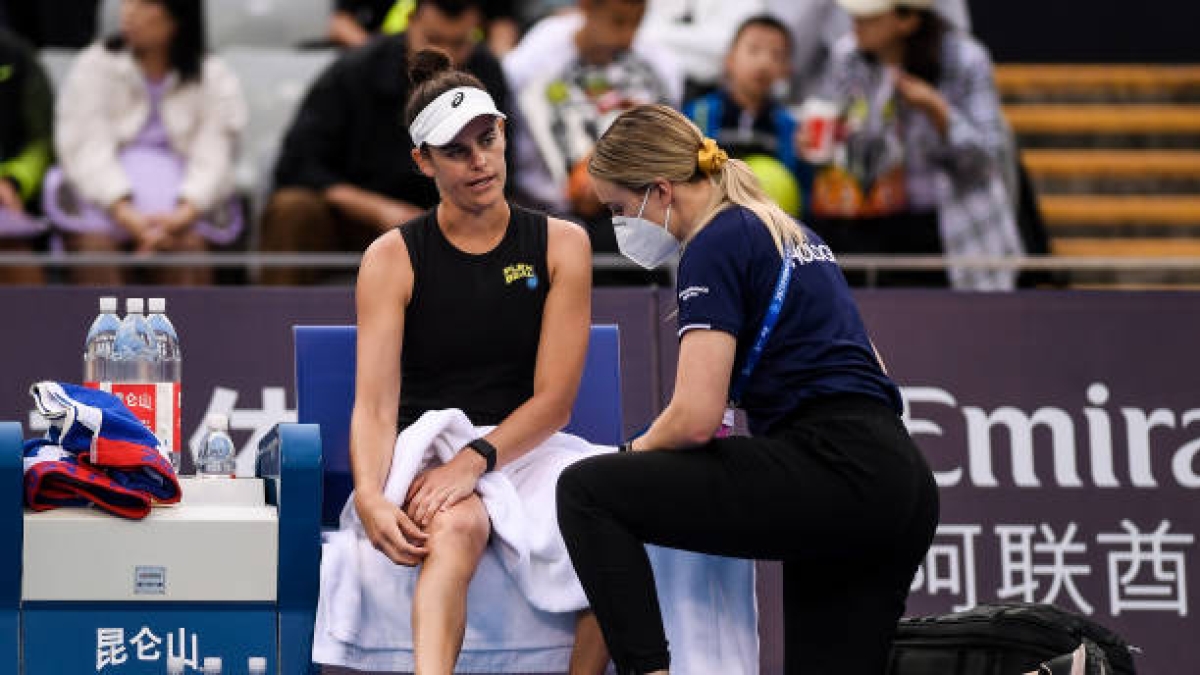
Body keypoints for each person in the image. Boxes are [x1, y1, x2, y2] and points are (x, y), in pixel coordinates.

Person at [556, 104, 939, 674]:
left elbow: (693, 416)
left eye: (617, 208)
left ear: (660, 190)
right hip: (900, 479)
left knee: (588, 491)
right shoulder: (786, 229)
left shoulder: (712, 244)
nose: (617, 223)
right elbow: (876, 371)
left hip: (835, 468)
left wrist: (631, 457)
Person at [349, 47, 606, 674]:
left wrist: (477, 461)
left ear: (504, 134)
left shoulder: (563, 244)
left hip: (523, 450)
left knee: (616, 515)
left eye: (486, 139)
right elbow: (377, 405)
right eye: (456, 150)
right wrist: (368, 496)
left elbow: (554, 402)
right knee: (457, 528)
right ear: (423, 162)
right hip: (431, 446)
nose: (478, 161)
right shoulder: (390, 257)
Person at [261, 0, 512, 285]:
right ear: (410, 23)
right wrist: (378, 210)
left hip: (448, 219)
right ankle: (275, 322)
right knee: (293, 208)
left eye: (459, 43)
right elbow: (298, 163)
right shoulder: (355, 70)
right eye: (433, 40)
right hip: (354, 218)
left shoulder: (486, 74)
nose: (446, 55)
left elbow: (503, 167)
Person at [801, 0, 1021, 289]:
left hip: (952, 228)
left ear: (907, 20)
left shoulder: (966, 59)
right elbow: (834, 129)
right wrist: (821, 140)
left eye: (868, 17)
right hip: (871, 222)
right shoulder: (847, 55)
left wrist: (938, 111)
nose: (855, 22)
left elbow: (988, 158)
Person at [42, 0, 246, 285]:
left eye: (145, 4)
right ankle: (108, 332)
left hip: (182, 213)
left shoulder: (213, 74)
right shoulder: (93, 65)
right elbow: (85, 146)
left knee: (188, 252)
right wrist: (125, 213)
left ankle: (191, 331)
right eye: (128, 2)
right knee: (95, 253)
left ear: (176, 19)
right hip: (102, 206)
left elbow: (216, 153)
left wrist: (181, 215)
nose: (129, 12)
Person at [502, 0, 681, 247]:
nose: (627, 37)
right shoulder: (530, 62)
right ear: (586, 6)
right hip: (547, 211)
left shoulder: (661, 66)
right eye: (618, 21)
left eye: (637, 23)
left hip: (636, 213)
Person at [684, 14, 805, 217]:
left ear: (786, 70)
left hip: (771, 226)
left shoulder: (789, 126)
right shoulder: (698, 113)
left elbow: (797, 187)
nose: (764, 62)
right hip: (706, 221)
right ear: (729, 60)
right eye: (753, 50)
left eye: (776, 55)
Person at [0, 27, 53, 284]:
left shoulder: (16, 56)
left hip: (9, 199)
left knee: (14, 255)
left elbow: (41, 141)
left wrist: (13, 182)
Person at [328, 0, 521, 56]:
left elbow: (502, 25)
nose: (445, 54)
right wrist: (377, 58)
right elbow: (341, 23)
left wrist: (497, 62)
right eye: (435, 40)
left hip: (469, 74)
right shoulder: (362, 70)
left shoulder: (486, 68)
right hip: (391, 77)